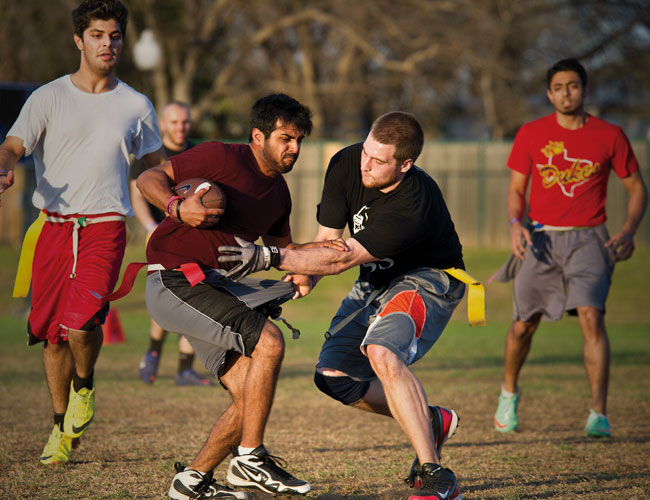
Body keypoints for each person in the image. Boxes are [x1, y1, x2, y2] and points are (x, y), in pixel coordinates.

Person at [219, 111, 468, 500]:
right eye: (366, 151)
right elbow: (327, 245)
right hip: (376, 282)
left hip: (429, 279)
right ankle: (431, 420)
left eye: (378, 161)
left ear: (405, 164)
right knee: (334, 376)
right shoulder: (347, 162)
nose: (365, 164)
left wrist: (267, 256)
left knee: (382, 352)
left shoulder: (413, 202)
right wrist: (302, 276)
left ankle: (435, 473)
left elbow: (341, 259)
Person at [137, 93, 342, 499]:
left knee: (251, 391)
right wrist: (177, 207)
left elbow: (286, 253)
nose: (294, 148)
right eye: (285, 138)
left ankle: (192, 480)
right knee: (270, 342)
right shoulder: (220, 156)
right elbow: (148, 180)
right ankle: (250, 458)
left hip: (213, 290)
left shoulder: (279, 194)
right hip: (174, 279)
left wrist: (325, 255)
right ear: (258, 136)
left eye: (299, 140)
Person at [0, 0, 166, 465]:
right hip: (52, 229)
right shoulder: (47, 97)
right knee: (52, 337)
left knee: (80, 322)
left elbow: (158, 166)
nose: (107, 43)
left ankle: (85, 385)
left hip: (106, 227)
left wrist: (184, 199)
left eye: (114, 35)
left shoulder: (136, 104)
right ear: (79, 40)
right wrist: (4, 167)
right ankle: (59, 428)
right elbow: (12, 145)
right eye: (97, 35)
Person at [492, 58, 647, 437]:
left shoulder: (610, 135)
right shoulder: (531, 133)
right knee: (523, 324)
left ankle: (598, 413)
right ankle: (508, 393)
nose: (566, 94)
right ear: (549, 94)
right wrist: (515, 224)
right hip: (540, 237)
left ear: (585, 90)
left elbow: (637, 188)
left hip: (589, 238)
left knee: (592, 317)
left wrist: (629, 231)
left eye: (573, 86)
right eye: (559, 88)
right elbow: (516, 190)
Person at [130, 101, 212, 387]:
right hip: (161, 239)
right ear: (163, 124)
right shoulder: (149, 156)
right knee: (167, 297)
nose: (181, 127)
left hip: (192, 239)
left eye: (185, 122)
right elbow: (137, 194)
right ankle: (153, 354)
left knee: (196, 297)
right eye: (175, 122)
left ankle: (184, 369)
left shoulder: (198, 153)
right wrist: (150, 227)